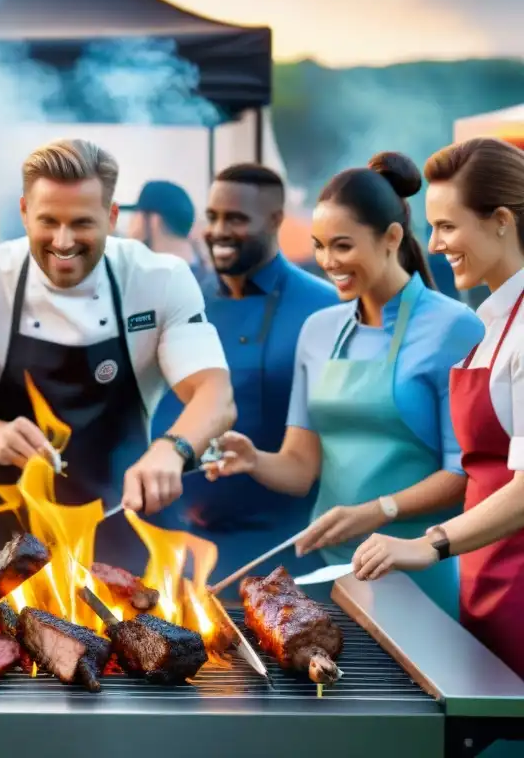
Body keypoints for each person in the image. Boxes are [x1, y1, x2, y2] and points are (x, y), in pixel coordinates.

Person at [0, 138, 236, 573]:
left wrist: (173, 448)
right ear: (24, 212)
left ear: (111, 217)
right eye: (48, 221)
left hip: (121, 520)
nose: (63, 241)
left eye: (81, 223)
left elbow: (215, 393)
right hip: (6, 530)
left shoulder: (159, 279)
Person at [208, 152, 484, 617]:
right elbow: (300, 468)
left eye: (342, 246)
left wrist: (377, 511)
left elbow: (464, 477)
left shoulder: (454, 327)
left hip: (419, 572)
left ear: (391, 238)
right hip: (329, 576)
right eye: (318, 246)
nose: (327, 262)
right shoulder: (318, 330)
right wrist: (255, 459)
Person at [353, 138, 524, 684]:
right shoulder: (494, 323)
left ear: (500, 220)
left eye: (448, 227)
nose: (434, 243)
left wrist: (430, 545)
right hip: (484, 585)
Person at [149, 164, 338, 589]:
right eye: (213, 216)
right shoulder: (185, 297)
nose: (218, 230)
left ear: (274, 220)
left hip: (281, 552)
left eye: (236, 219)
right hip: (183, 545)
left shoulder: (323, 308)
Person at [121, 179, 216, 294]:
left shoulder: (147, 289)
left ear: (154, 220)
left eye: (136, 213)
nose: (131, 223)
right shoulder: (212, 283)